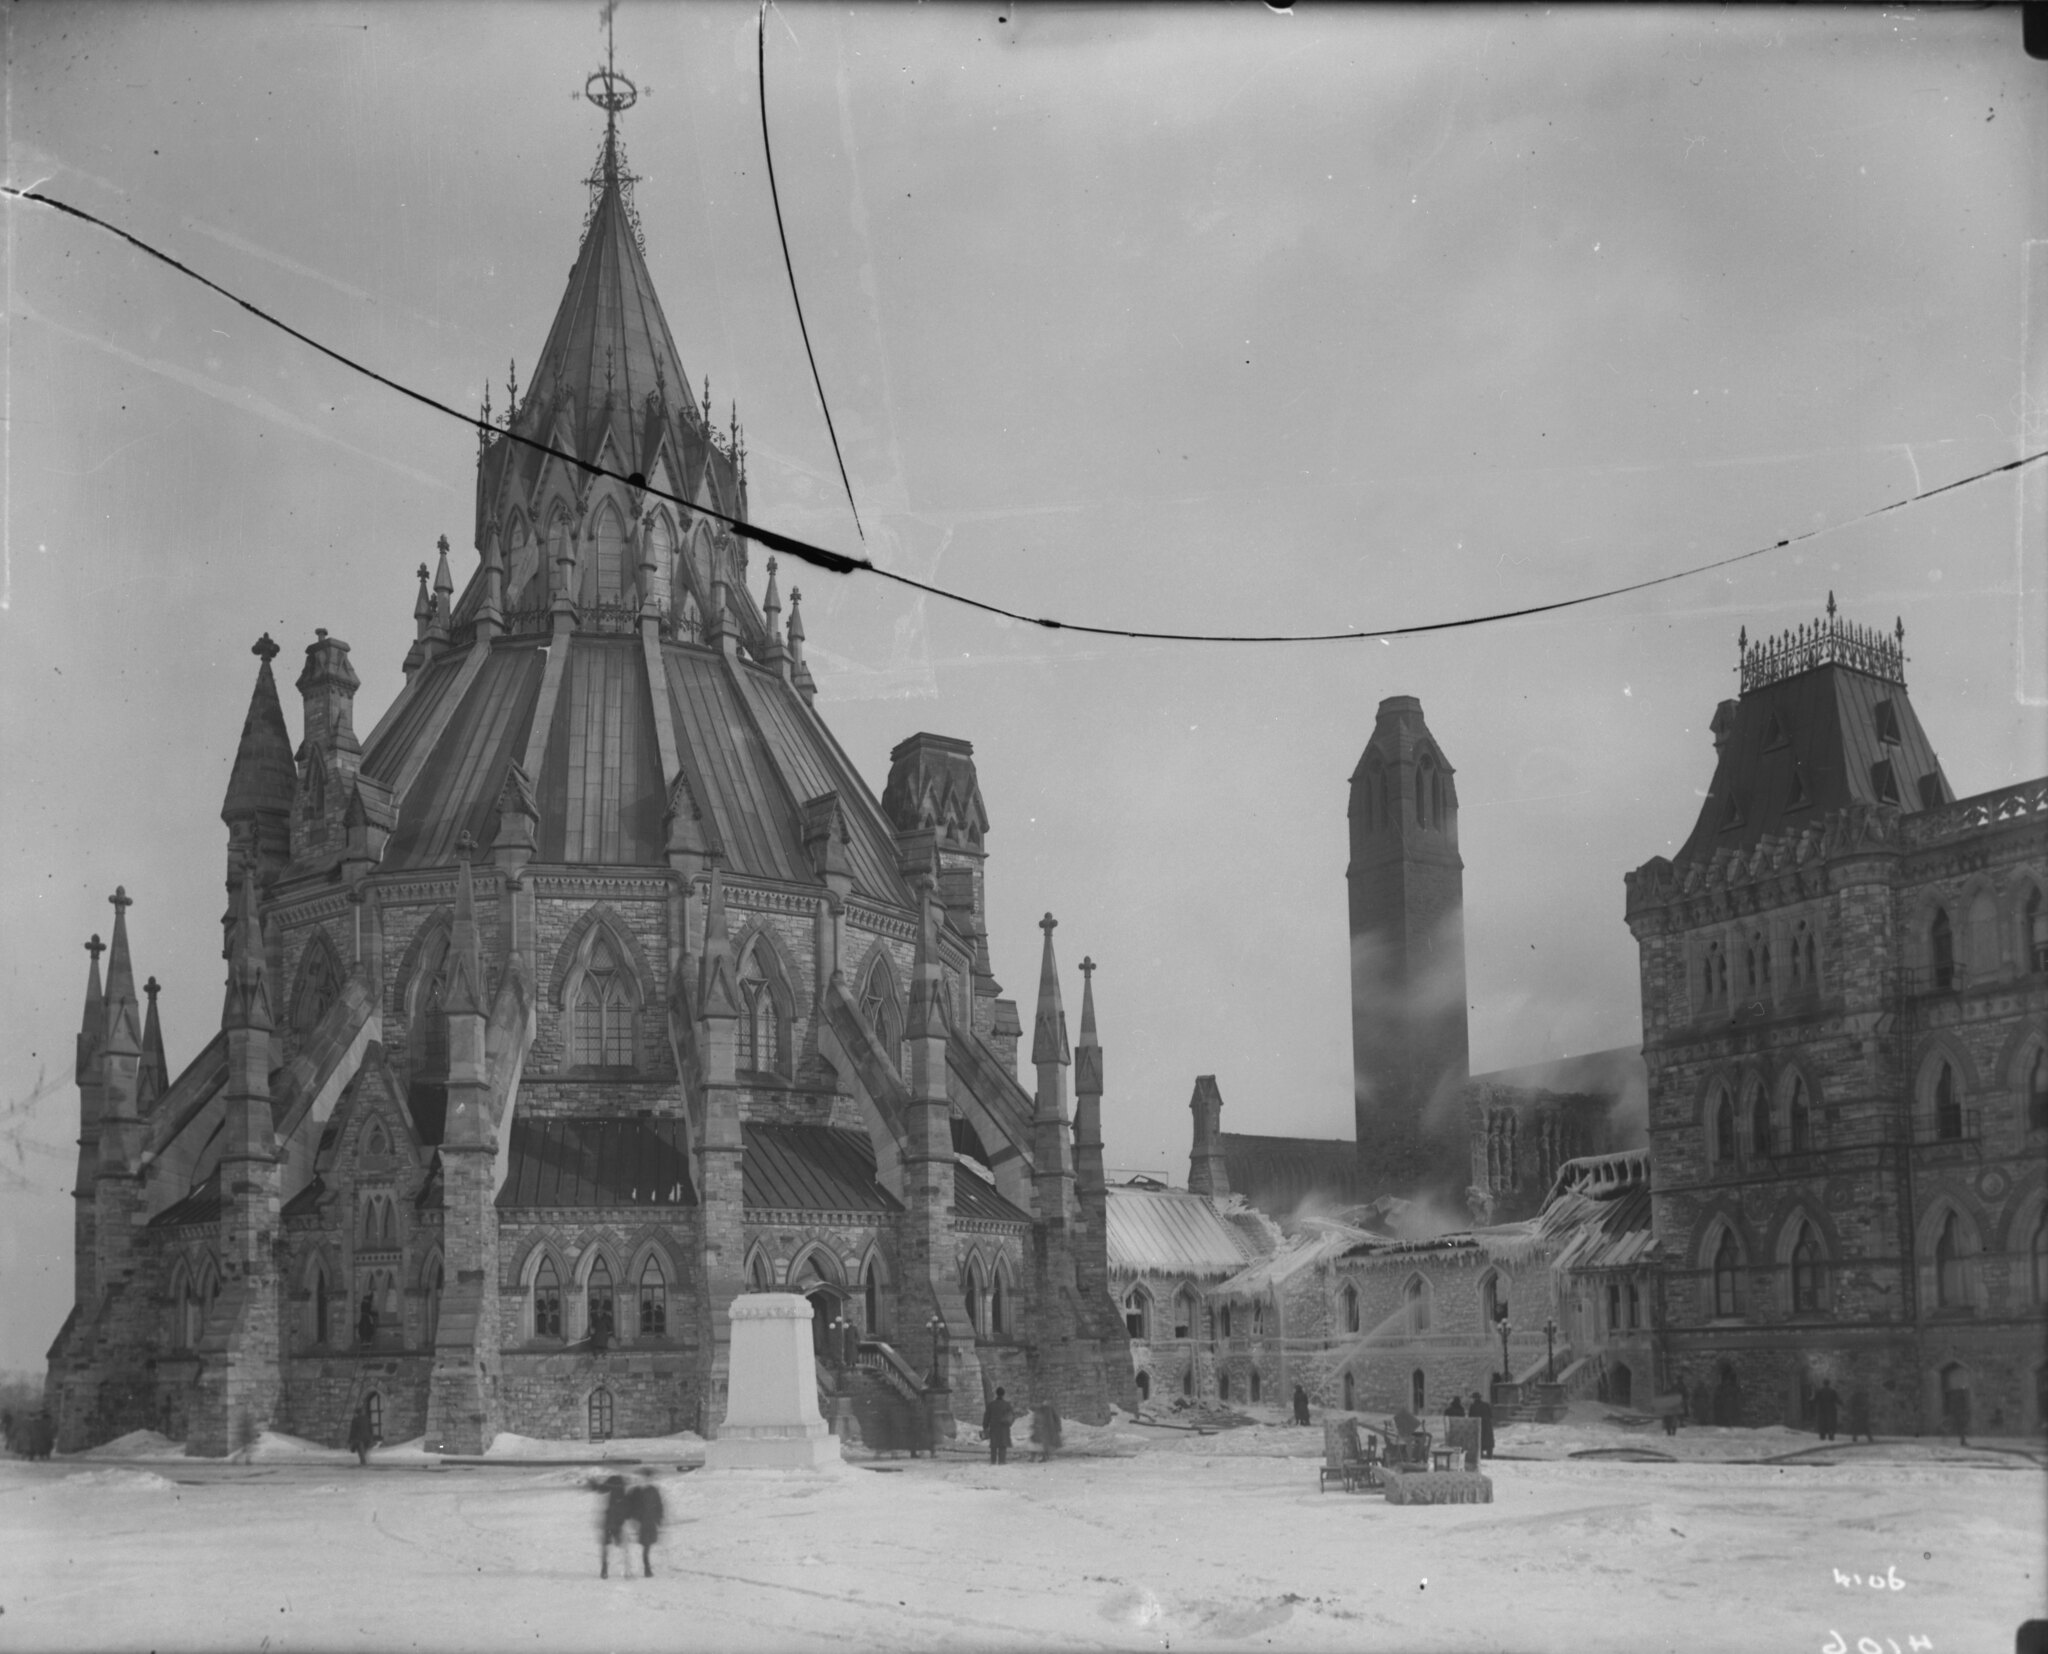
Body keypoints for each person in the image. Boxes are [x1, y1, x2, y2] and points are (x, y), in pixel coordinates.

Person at [983, 1386, 1015, 1466]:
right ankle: (1002, 1460)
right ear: (1003, 1394)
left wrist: (985, 1426)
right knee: (1003, 1445)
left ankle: (993, 1461)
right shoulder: (1007, 1405)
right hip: (1004, 1428)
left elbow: (986, 1416)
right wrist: (1009, 1424)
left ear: (996, 1394)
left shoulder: (991, 1405)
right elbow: (1012, 1416)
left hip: (994, 1427)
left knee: (993, 1445)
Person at [347, 1401, 376, 1467]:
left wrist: (350, 1440)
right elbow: (371, 1429)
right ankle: (363, 1463)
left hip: (359, 1440)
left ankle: (363, 1465)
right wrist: (372, 1438)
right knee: (363, 1453)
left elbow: (353, 1431)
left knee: (361, 1454)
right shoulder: (367, 1419)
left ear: (357, 1413)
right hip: (367, 1439)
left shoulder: (355, 1420)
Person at [1470, 1391, 1495, 1460]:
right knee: (1488, 1441)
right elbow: (1491, 1415)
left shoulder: (1473, 1407)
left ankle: (1480, 1455)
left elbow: (1471, 1418)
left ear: (1474, 1399)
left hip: (1478, 1426)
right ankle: (1489, 1455)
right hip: (1487, 1426)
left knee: (1479, 1441)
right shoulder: (1486, 1405)